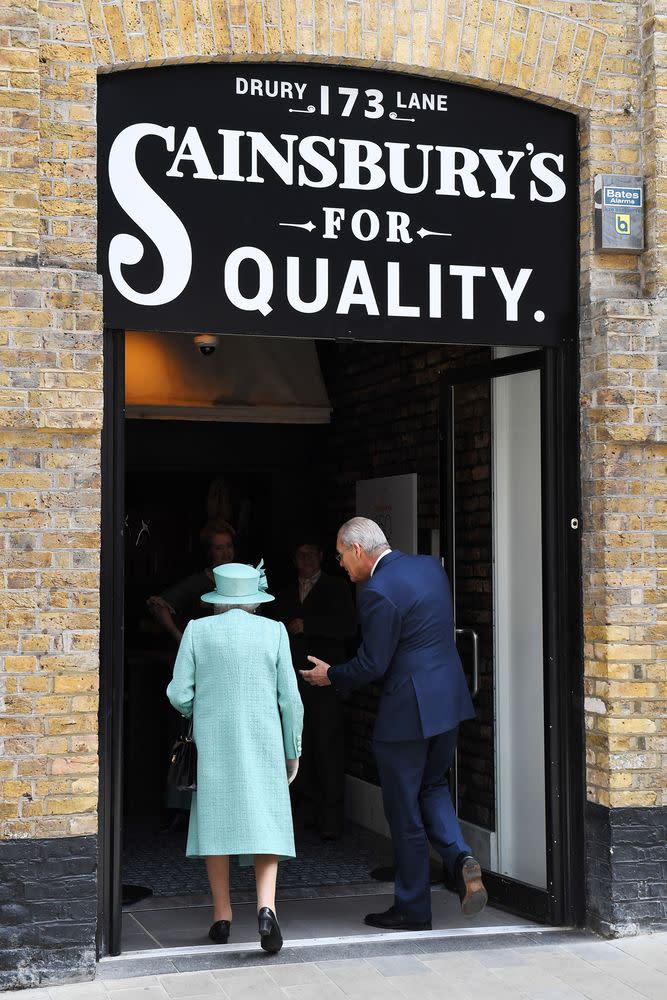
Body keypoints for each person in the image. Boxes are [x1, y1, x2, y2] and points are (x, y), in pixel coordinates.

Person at [302, 516, 487, 931]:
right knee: (433, 785)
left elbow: (373, 663)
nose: (341, 566)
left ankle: (413, 908)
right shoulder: (429, 567)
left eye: (340, 556)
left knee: (403, 810)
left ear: (357, 551)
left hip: (408, 712)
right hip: (450, 701)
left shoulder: (377, 592)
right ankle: (460, 858)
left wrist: (330, 675)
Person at [166, 561, 304, 954]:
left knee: (216, 822)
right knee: (267, 820)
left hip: (214, 741)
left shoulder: (197, 630)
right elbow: (290, 701)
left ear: (218, 600)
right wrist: (291, 750)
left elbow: (178, 693)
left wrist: (197, 709)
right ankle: (266, 908)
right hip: (263, 741)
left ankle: (222, 915)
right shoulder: (274, 632)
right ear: (254, 601)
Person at [271, 538, 356, 839]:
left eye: (310, 554)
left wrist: (309, 625)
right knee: (298, 744)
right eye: (300, 555)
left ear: (321, 556)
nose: (305, 560)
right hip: (293, 681)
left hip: (327, 680)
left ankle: (331, 819)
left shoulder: (337, 587)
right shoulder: (283, 593)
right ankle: (303, 812)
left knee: (328, 745)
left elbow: (348, 628)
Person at [147, 520, 236, 643]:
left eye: (229, 546)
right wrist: (181, 639)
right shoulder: (198, 582)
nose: (226, 553)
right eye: (219, 548)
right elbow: (158, 605)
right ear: (210, 552)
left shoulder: (243, 578)